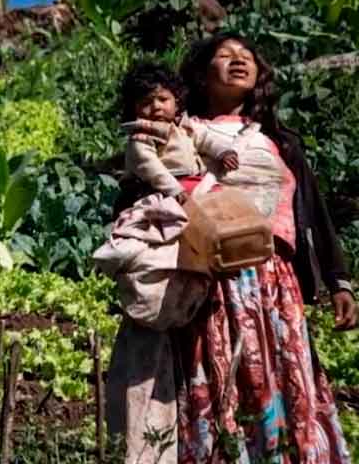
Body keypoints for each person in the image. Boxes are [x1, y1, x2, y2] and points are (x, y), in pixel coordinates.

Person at [121, 33, 355, 463]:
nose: (238, 61)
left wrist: (338, 279)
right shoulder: (176, 131)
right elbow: (143, 190)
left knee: (281, 379)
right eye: (224, 56)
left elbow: (313, 214)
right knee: (216, 378)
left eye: (246, 57)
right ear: (201, 73)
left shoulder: (280, 141)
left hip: (273, 282)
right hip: (209, 280)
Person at [119, 62, 238, 201]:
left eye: (163, 99)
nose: (156, 106)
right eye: (146, 103)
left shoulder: (185, 126)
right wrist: (173, 189)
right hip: (161, 188)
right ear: (134, 110)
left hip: (194, 180)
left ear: (176, 102)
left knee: (226, 198)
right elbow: (149, 167)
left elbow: (206, 138)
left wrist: (224, 152)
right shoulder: (142, 136)